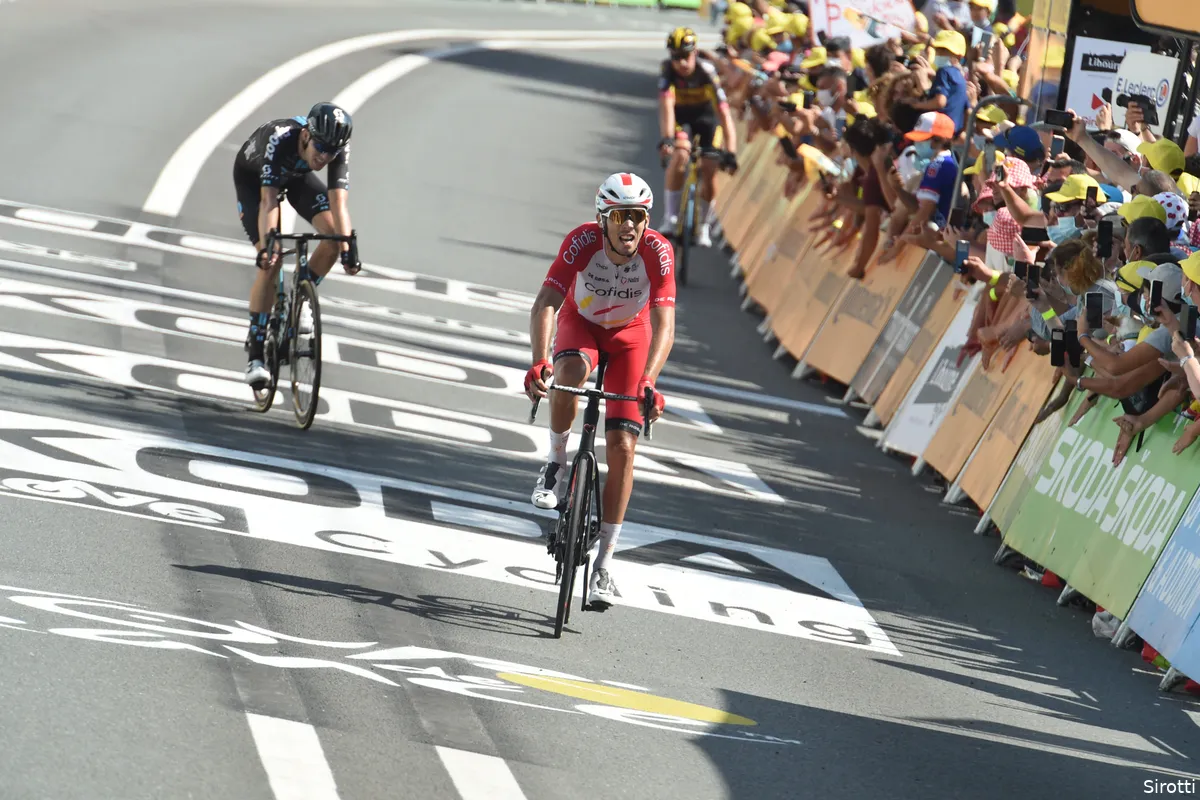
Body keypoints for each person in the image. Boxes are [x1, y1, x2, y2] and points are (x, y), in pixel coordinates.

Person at [525, 173, 676, 607]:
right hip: (584, 322)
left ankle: (605, 566)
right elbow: (546, 303)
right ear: (602, 219)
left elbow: (665, 325)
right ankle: (556, 464)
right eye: (620, 217)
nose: (630, 226)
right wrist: (539, 360)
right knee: (568, 372)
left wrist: (650, 380)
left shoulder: (658, 251)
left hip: (632, 333)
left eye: (638, 217)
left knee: (624, 447)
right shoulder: (581, 241)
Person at [234, 102, 359, 386]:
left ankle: (301, 297)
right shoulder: (279, 139)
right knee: (272, 259)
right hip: (256, 183)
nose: (325, 157)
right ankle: (255, 352)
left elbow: (339, 203)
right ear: (306, 136)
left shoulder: (337, 146)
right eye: (321, 149)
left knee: (332, 238)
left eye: (332, 152)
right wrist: (267, 247)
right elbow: (268, 201)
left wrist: (348, 251)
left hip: (296, 178)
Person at [658, 26, 738, 248]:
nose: (681, 63)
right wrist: (667, 138)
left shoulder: (706, 72)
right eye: (676, 57)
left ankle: (703, 224)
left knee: (710, 167)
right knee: (680, 154)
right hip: (681, 117)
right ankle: (670, 218)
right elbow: (666, 105)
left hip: (706, 119)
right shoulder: (668, 71)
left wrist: (730, 151)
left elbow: (724, 113)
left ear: (694, 53)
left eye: (685, 56)